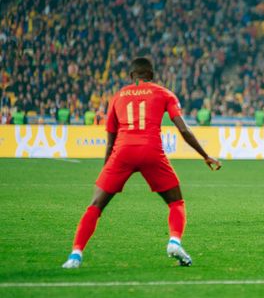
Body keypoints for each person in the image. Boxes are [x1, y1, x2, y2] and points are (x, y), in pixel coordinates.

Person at [62, 57, 222, 269]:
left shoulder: (117, 97)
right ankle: (174, 241)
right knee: (176, 203)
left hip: (123, 151)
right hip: (151, 151)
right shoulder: (164, 93)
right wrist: (205, 155)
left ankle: (75, 256)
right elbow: (183, 130)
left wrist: (106, 171)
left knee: (96, 206)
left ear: (131, 76)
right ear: (152, 75)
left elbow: (110, 141)